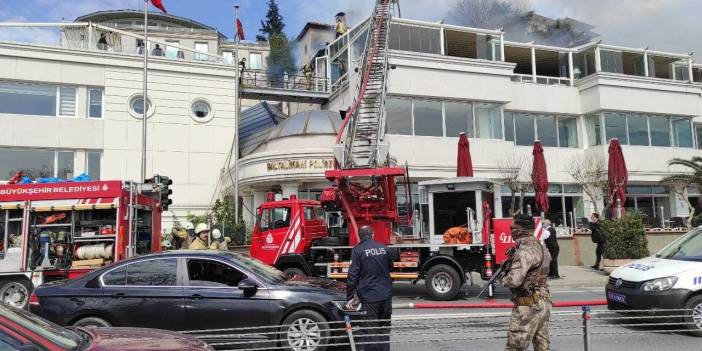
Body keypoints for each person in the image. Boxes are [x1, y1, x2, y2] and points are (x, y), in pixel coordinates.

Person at [502, 214, 552, 351]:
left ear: (519, 229)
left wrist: (504, 279)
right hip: (543, 300)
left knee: (515, 347)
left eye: (512, 227)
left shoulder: (524, 251)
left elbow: (514, 280)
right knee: (542, 346)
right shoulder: (541, 247)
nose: (511, 230)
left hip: (528, 304)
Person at [346, 226, 394, 351]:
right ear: (372, 234)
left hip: (369, 298)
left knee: (370, 332)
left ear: (359, 236)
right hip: (386, 296)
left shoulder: (357, 250)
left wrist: (350, 297)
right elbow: (391, 267)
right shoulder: (384, 248)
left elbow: (352, 276)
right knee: (384, 330)